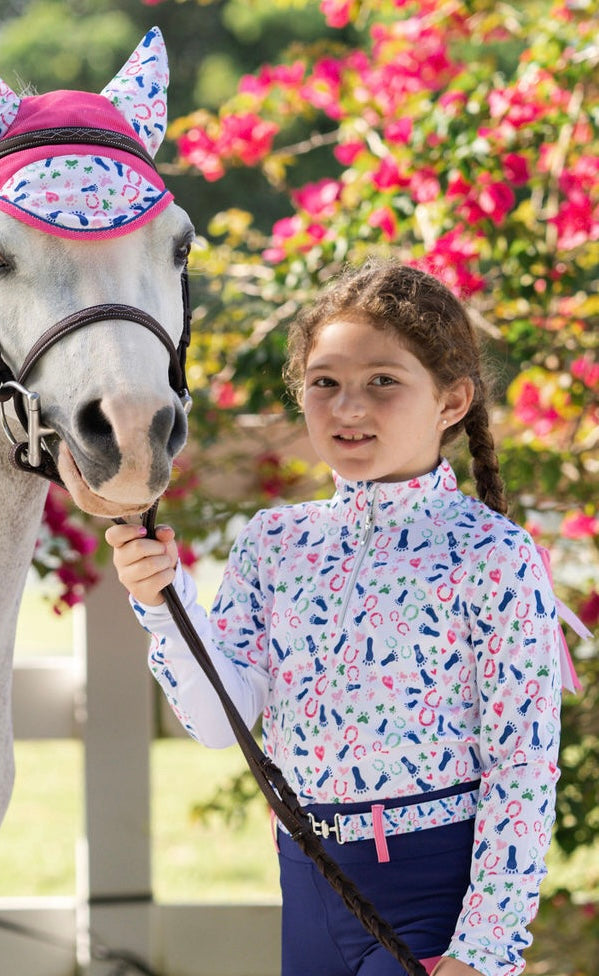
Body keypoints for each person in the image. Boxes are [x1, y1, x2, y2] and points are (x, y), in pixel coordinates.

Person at [106, 258, 565, 976]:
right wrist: (163, 607)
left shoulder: (490, 554)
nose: (348, 406)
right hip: (312, 887)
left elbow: (522, 763)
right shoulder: (273, 542)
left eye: (382, 381)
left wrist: (483, 949)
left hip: (434, 900)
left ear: (450, 401)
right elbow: (219, 723)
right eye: (325, 383)